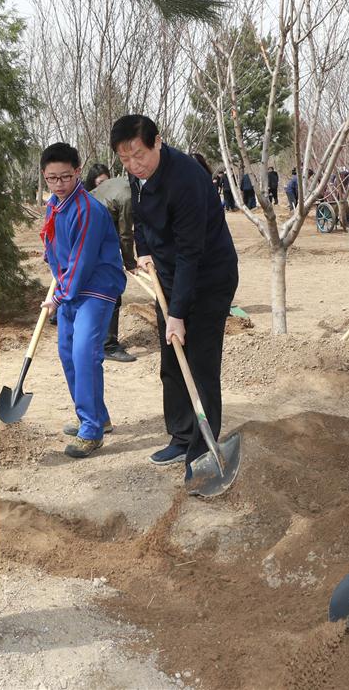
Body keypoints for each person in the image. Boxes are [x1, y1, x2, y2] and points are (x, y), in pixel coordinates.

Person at [110, 114, 238, 473]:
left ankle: (202, 450)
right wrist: (143, 248)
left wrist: (177, 314)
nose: (133, 165)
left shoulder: (187, 180)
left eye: (139, 155)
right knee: (171, 361)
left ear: (158, 142)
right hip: (169, 275)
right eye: (125, 159)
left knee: (200, 363)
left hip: (208, 277)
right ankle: (181, 437)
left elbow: (190, 253)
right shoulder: (137, 174)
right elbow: (139, 216)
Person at [39, 143, 126, 458]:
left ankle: (90, 430)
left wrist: (59, 296)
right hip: (70, 285)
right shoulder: (54, 205)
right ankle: (97, 416)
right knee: (67, 353)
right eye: (52, 178)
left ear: (78, 172)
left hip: (97, 286)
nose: (59, 184)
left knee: (84, 353)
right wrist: (54, 269)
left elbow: (83, 259)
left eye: (65, 176)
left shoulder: (88, 209)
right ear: (44, 177)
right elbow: (54, 244)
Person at [90, 168, 137, 363]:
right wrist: (130, 263)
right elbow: (126, 234)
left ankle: (96, 340)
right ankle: (108, 345)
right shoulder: (128, 196)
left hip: (90, 232)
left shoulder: (121, 183)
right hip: (93, 237)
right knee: (113, 287)